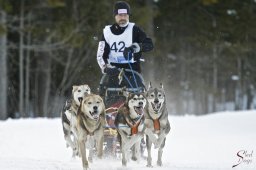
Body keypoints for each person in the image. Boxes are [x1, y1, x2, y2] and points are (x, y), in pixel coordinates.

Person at [97, 1, 154, 105]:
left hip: (132, 70)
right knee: (110, 100)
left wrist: (135, 47)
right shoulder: (107, 32)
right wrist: (105, 67)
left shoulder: (135, 29)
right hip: (113, 71)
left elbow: (149, 44)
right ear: (115, 16)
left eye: (125, 15)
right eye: (120, 15)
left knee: (136, 101)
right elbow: (100, 55)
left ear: (128, 15)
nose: (123, 17)